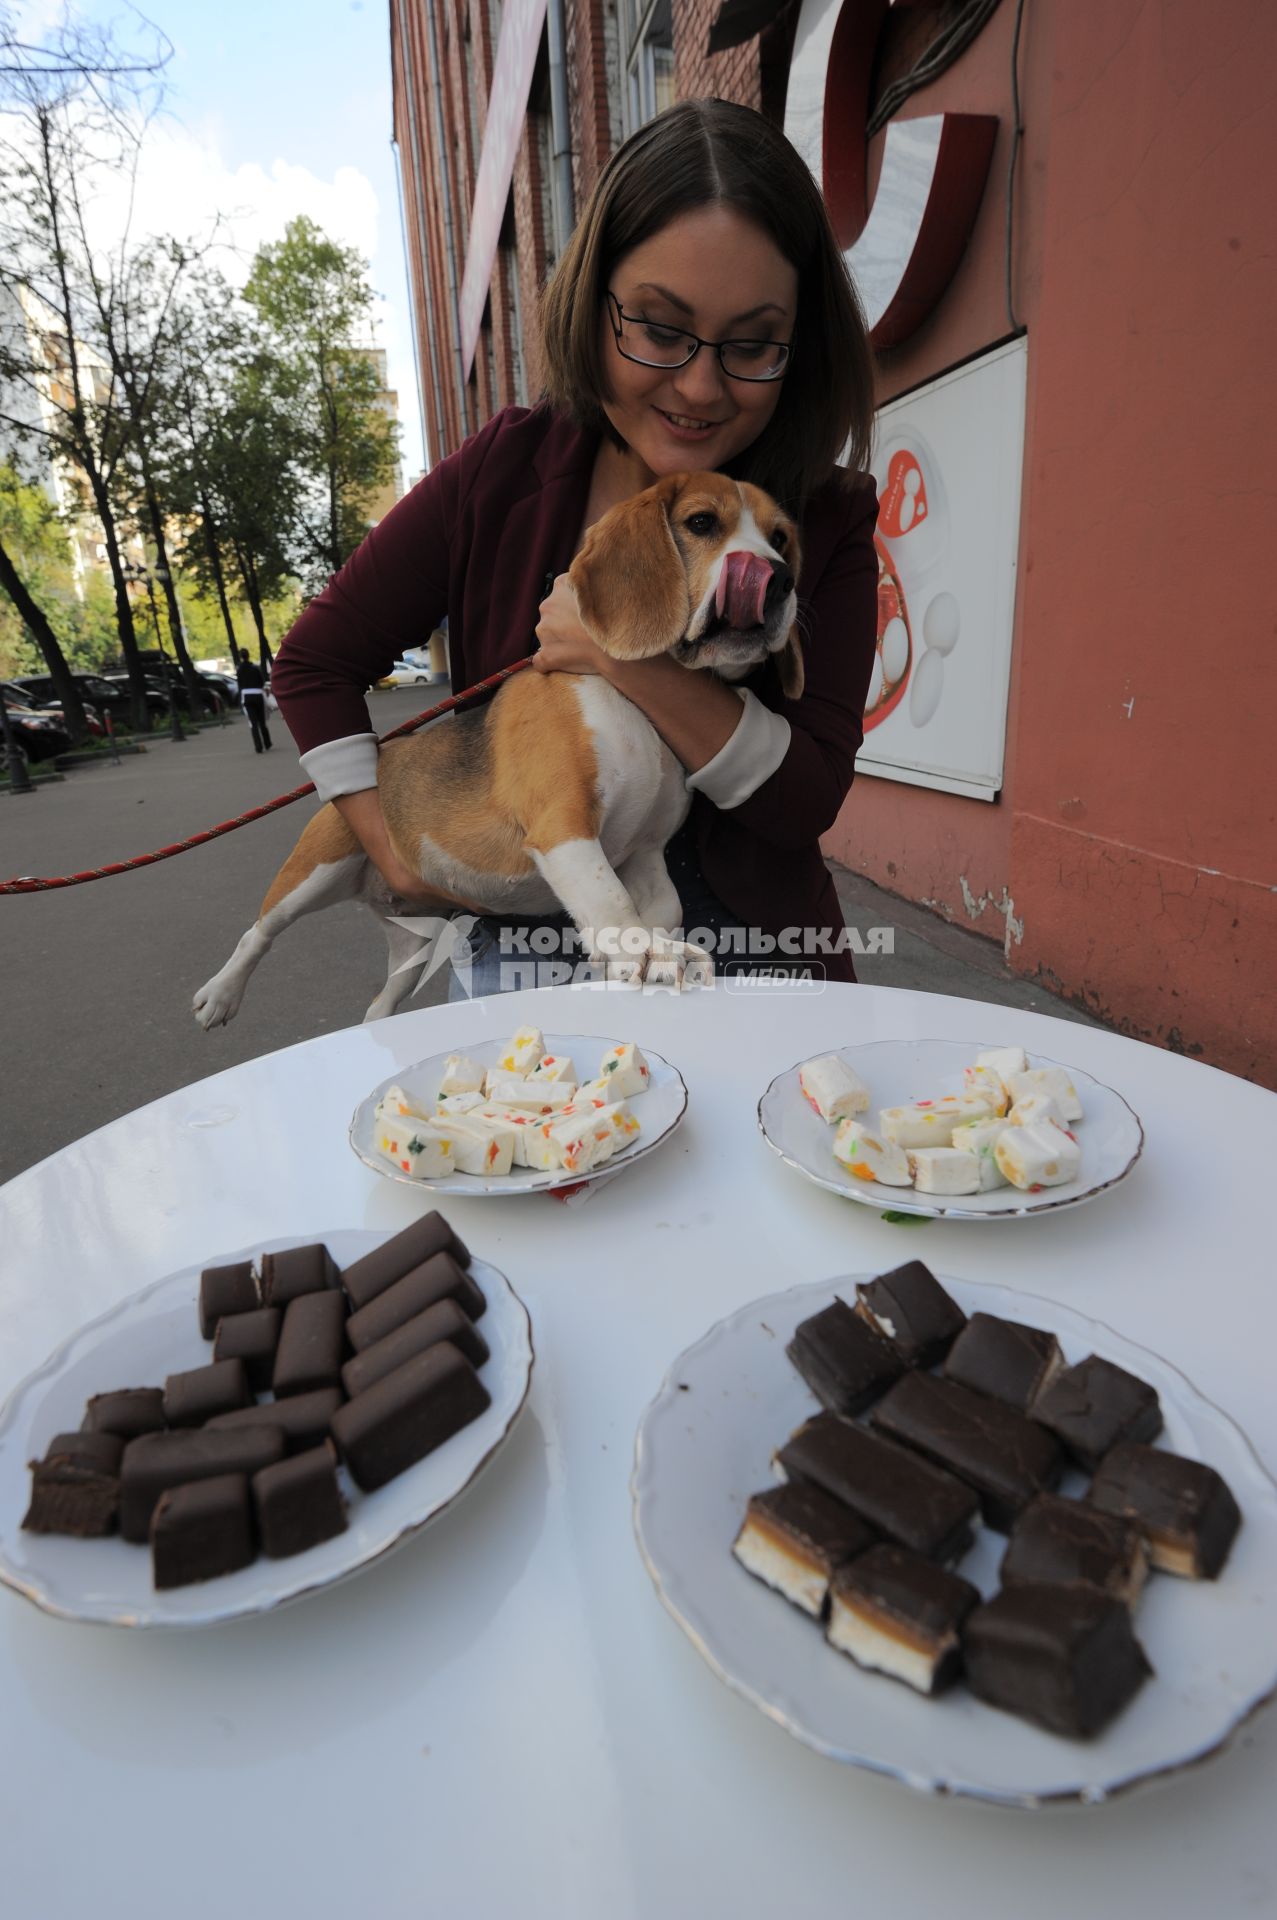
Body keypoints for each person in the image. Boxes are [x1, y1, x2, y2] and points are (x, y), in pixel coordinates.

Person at [271, 97, 878, 999]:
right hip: (528, 937)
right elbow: (316, 663)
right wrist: (383, 842)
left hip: (762, 942)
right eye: (660, 329)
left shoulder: (822, 518)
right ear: (594, 304)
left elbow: (803, 802)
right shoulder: (498, 476)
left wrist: (617, 655)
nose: (701, 387)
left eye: (754, 344)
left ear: (803, 344)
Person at [234, 646, 272, 753]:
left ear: (241, 657)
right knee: (262, 721)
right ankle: (267, 743)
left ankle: (258, 746)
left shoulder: (239, 670)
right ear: (248, 655)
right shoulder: (255, 668)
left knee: (253, 723)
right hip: (258, 695)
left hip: (247, 697)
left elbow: (240, 684)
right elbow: (261, 682)